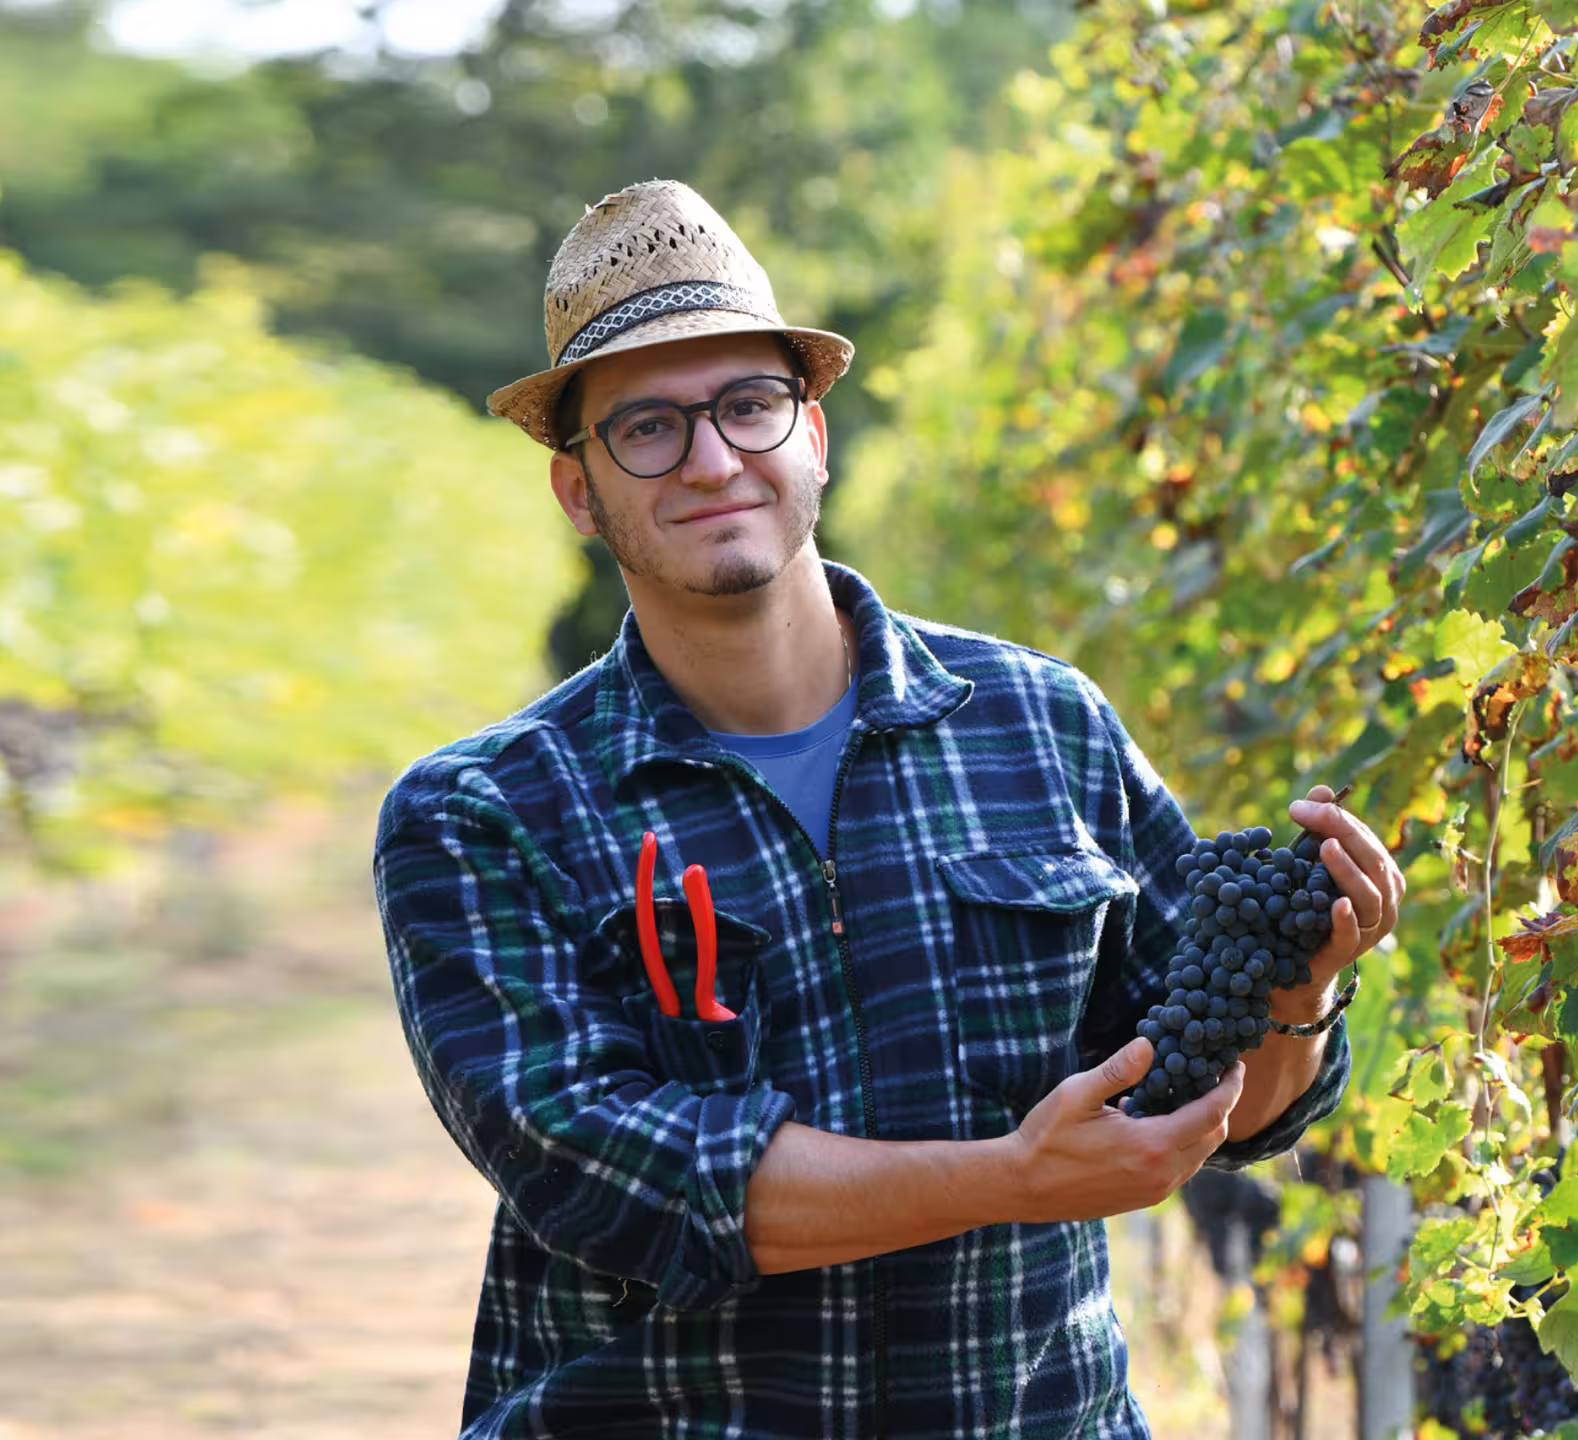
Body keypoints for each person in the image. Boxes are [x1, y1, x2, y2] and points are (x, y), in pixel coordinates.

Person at [374, 179, 1405, 1438]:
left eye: (749, 407)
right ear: (580, 491)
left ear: (814, 435)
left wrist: (1295, 991)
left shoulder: (1042, 720)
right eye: (647, 427)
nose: (712, 460)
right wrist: (1011, 1182)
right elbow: (609, 1177)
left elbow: (1221, 1108)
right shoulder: (484, 813)